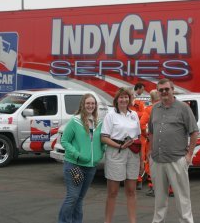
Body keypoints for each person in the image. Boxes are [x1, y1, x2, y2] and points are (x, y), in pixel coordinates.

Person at [148, 78, 199, 223]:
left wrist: (189, 155)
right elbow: (151, 131)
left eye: (166, 89)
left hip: (177, 159)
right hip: (157, 160)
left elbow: (194, 132)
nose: (164, 92)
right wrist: (150, 151)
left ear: (172, 89)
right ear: (157, 92)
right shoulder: (154, 109)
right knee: (159, 199)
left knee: (182, 198)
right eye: (161, 90)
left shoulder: (183, 108)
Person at [58, 93, 105, 223]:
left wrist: (99, 155)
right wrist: (77, 154)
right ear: (83, 105)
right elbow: (65, 140)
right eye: (88, 103)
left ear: (96, 106)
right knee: (72, 197)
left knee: (79, 198)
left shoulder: (98, 122)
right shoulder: (75, 121)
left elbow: (102, 143)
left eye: (93, 104)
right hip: (75, 165)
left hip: (91, 167)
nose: (90, 106)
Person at [101, 87, 141, 223]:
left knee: (131, 191)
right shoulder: (110, 115)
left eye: (126, 97)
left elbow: (138, 138)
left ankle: (133, 221)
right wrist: (119, 146)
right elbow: (104, 137)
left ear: (129, 99)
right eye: (121, 97)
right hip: (116, 152)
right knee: (113, 192)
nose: (124, 99)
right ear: (116, 100)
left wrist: (141, 160)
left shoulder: (134, 114)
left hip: (133, 153)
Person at [140, 89, 174, 197]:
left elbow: (141, 125)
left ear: (151, 98)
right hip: (168, 141)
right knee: (169, 166)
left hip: (153, 142)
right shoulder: (168, 108)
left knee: (152, 166)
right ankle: (171, 189)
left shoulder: (149, 109)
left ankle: (154, 188)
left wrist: (146, 136)